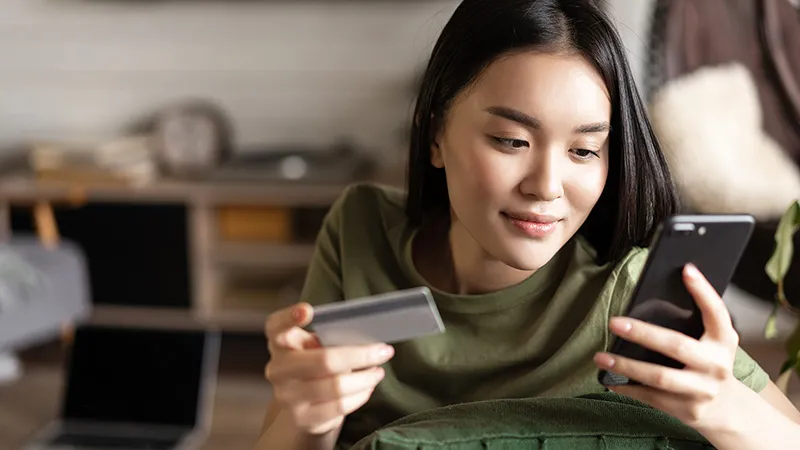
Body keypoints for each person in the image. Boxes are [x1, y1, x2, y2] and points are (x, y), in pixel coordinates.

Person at [256, 1, 800, 449]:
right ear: (434, 136)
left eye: (585, 150)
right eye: (512, 141)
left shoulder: (626, 297)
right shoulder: (361, 232)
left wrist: (723, 407)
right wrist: (309, 412)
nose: (546, 185)